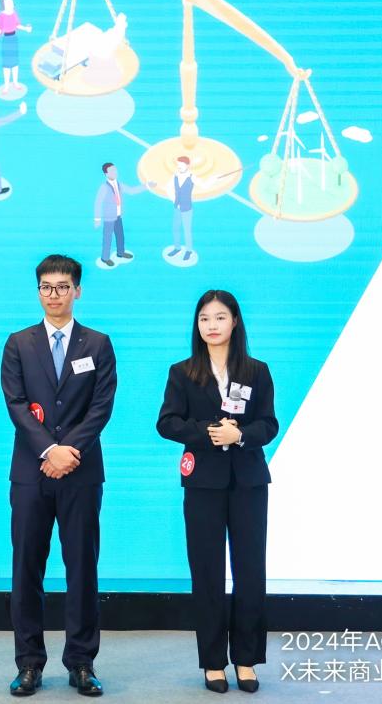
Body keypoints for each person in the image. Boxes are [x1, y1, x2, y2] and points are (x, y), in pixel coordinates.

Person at [1, 254, 117, 697]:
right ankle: (29, 663)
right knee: (26, 569)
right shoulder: (19, 343)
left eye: (63, 287)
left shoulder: (98, 344)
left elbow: (101, 405)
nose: (54, 294)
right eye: (46, 287)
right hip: (31, 473)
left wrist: (70, 451)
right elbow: (16, 404)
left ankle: (81, 663)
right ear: (38, 292)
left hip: (81, 472)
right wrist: (49, 450)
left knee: (82, 568)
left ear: (77, 291)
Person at [155, 290, 277, 694]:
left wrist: (239, 435)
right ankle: (212, 662)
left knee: (250, 571)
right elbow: (167, 423)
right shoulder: (183, 371)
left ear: (235, 322)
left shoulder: (256, 371)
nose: (212, 325)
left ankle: (246, 660)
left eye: (220, 317)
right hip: (203, 484)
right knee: (207, 572)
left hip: (248, 483)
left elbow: (268, 424)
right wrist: (210, 432)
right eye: (205, 318)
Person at [93, 161, 155, 267]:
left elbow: (132, 190)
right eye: (112, 171)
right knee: (107, 238)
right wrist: (97, 219)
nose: (115, 172)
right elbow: (98, 202)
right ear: (106, 174)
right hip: (108, 218)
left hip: (118, 216)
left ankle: (120, 253)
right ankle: (105, 258)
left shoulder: (119, 184)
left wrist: (147, 186)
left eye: (115, 170)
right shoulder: (104, 187)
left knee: (120, 235)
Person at [0, 0, 33, 94]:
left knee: (15, 63)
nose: (11, 5)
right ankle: (7, 85)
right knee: (6, 65)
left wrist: (26, 29)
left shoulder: (14, 13)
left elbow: (17, 25)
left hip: (14, 39)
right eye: (8, 3)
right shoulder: (1, 15)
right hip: (6, 41)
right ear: (3, 4)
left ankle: (15, 82)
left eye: (11, 2)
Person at [169, 156, 195, 261]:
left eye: (181, 165)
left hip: (187, 208)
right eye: (178, 164)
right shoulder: (175, 176)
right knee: (175, 228)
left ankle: (189, 251)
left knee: (187, 230)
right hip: (177, 208)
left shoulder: (192, 177)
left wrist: (213, 180)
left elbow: (204, 185)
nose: (179, 166)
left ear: (187, 166)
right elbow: (168, 188)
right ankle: (177, 248)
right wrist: (173, 200)